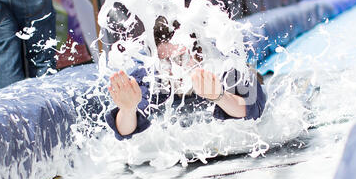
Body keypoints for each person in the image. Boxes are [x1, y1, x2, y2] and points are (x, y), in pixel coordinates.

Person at [105, 16, 266, 140]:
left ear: (199, 54)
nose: (175, 69)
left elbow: (254, 111)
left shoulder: (223, 68)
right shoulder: (150, 79)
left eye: (180, 58)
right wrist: (128, 110)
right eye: (165, 61)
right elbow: (125, 132)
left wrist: (220, 97)